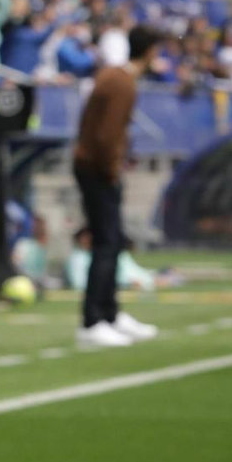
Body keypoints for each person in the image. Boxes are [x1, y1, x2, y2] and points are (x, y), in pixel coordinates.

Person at [72, 25, 161, 349]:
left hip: (90, 165)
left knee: (111, 241)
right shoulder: (123, 83)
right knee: (106, 244)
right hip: (97, 170)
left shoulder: (111, 77)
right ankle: (93, 319)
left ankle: (110, 313)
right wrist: (112, 171)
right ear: (150, 50)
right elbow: (108, 135)